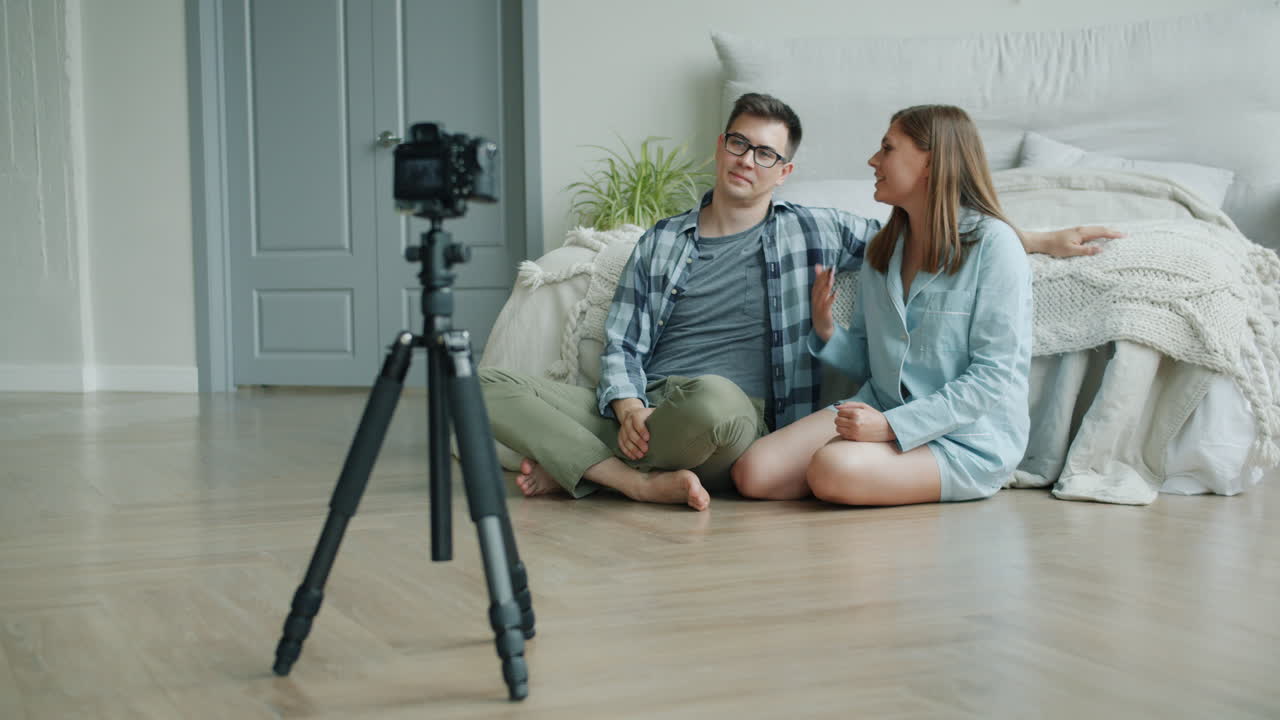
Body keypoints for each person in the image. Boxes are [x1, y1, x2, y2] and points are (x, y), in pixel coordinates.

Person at [480, 93, 1116, 511]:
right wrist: (624, 404)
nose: (746, 160)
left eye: (766, 153)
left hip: (741, 411)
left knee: (721, 405)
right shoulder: (664, 240)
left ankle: (578, 464)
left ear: (784, 172)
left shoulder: (817, 229)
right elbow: (621, 342)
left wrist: (1033, 238)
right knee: (480, 383)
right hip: (654, 409)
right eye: (738, 143)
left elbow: (971, 252)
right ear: (720, 146)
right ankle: (625, 478)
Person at [732, 104, 1033, 506]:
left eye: (887, 149)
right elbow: (872, 362)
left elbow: (995, 377)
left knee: (833, 467)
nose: (873, 161)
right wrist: (825, 330)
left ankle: (866, 472)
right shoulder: (883, 250)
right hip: (879, 409)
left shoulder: (995, 246)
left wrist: (892, 427)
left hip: (965, 440)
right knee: (753, 473)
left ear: (930, 162)